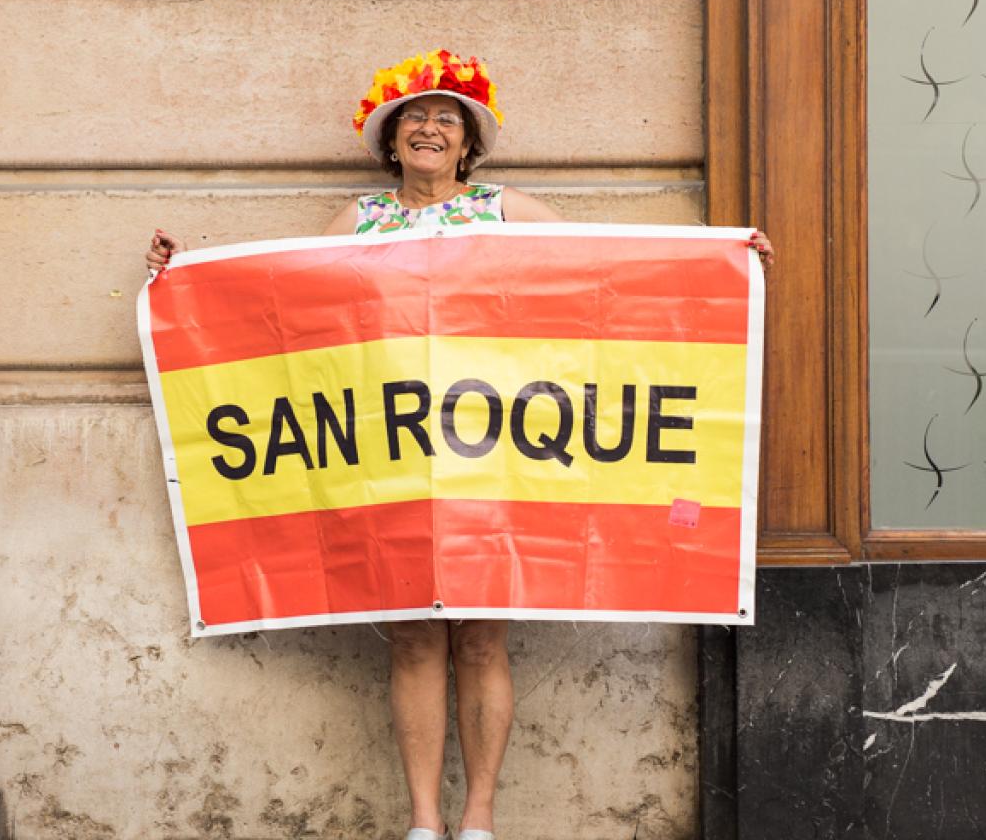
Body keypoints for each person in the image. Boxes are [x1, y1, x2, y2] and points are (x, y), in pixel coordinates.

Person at [145, 50, 774, 840]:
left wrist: (722, 261)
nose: (430, 128)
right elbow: (288, 306)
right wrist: (185, 273)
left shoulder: (507, 210)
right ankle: (422, 823)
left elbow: (606, 282)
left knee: (481, 636)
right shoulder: (361, 221)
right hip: (399, 465)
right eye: (416, 116)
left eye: (448, 118)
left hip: (493, 459)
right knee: (411, 632)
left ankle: (476, 820)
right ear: (392, 138)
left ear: (470, 142)